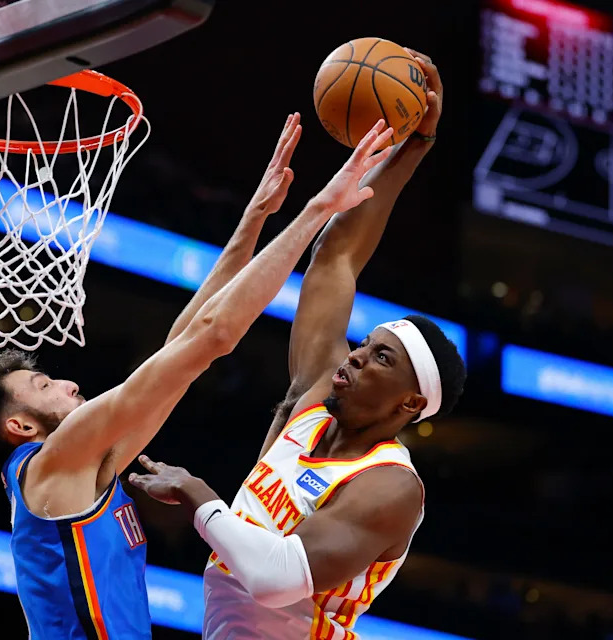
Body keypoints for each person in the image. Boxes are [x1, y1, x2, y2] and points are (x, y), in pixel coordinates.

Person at [0, 113, 396, 639]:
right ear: (20, 427)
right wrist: (318, 209)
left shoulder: (81, 468)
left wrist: (253, 219)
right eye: (43, 387)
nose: (66, 384)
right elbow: (212, 338)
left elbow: (181, 347)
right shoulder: (52, 463)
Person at [128, 51, 466, 640]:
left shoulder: (391, 485)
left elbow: (277, 577)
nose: (356, 355)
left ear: (410, 404)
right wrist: (414, 146)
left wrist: (194, 492)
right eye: (365, 344)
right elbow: (335, 257)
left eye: (381, 358)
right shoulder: (314, 402)